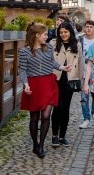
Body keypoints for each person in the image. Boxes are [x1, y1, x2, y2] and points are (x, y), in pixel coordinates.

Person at [19, 22, 72, 158]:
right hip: (34, 85)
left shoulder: (48, 47)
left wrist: (62, 67)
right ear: (37, 35)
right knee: (34, 118)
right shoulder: (24, 52)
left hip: (49, 83)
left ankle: (41, 145)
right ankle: (35, 145)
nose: (46, 37)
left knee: (46, 115)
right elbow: (23, 70)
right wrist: (25, 84)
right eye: (45, 34)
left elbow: (52, 63)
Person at [49, 22, 83, 147]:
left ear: (70, 32)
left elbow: (80, 63)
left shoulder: (77, 45)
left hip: (70, 79)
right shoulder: (53, 43)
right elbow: (49, 61)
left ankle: (62, 136)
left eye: (65, 32)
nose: (63, 34)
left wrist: (81, 81)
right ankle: (54, 135)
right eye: (61, 32)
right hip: (56, 79)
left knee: (66, 108)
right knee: (57, 107)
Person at [78, 20, 94, 129]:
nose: (88, 29)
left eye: (91, 27)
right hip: (83, 72)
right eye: (87, 27)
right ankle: (86, 118)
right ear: (84, 28)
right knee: (84, 97)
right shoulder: (79, 40)